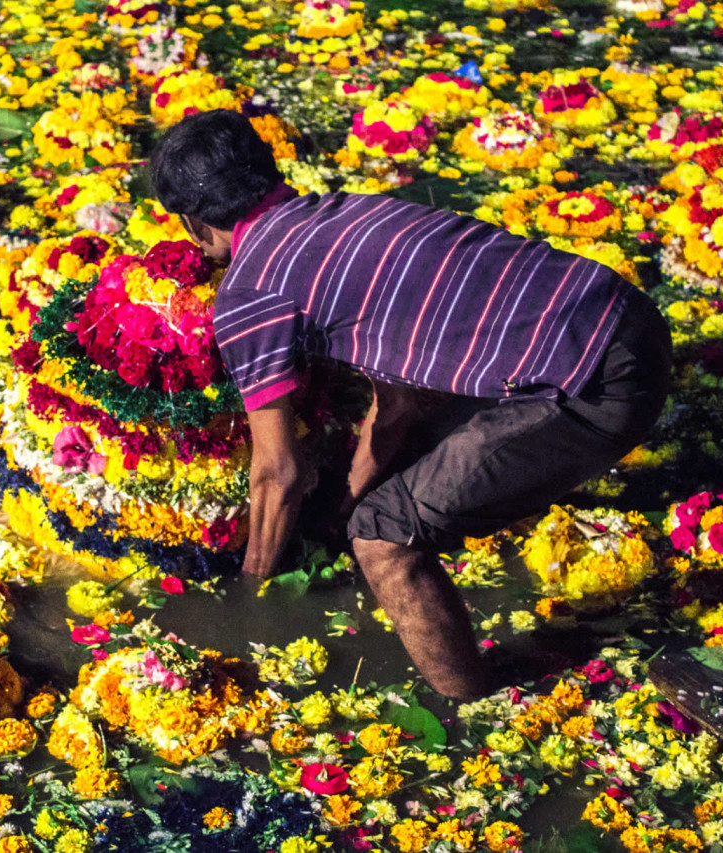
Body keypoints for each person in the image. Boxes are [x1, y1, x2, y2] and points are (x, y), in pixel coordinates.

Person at [150, 109, 672, 700]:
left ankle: (473, 702)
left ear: (193, 224)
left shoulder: (251, 292)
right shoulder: (358, 210)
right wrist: (346, 501)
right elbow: (399, 404)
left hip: (598, 385)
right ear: (270, 172)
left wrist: (251, 593)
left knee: (383, 540)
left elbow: (278, 474)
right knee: (386, 492)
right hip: (631, 317)